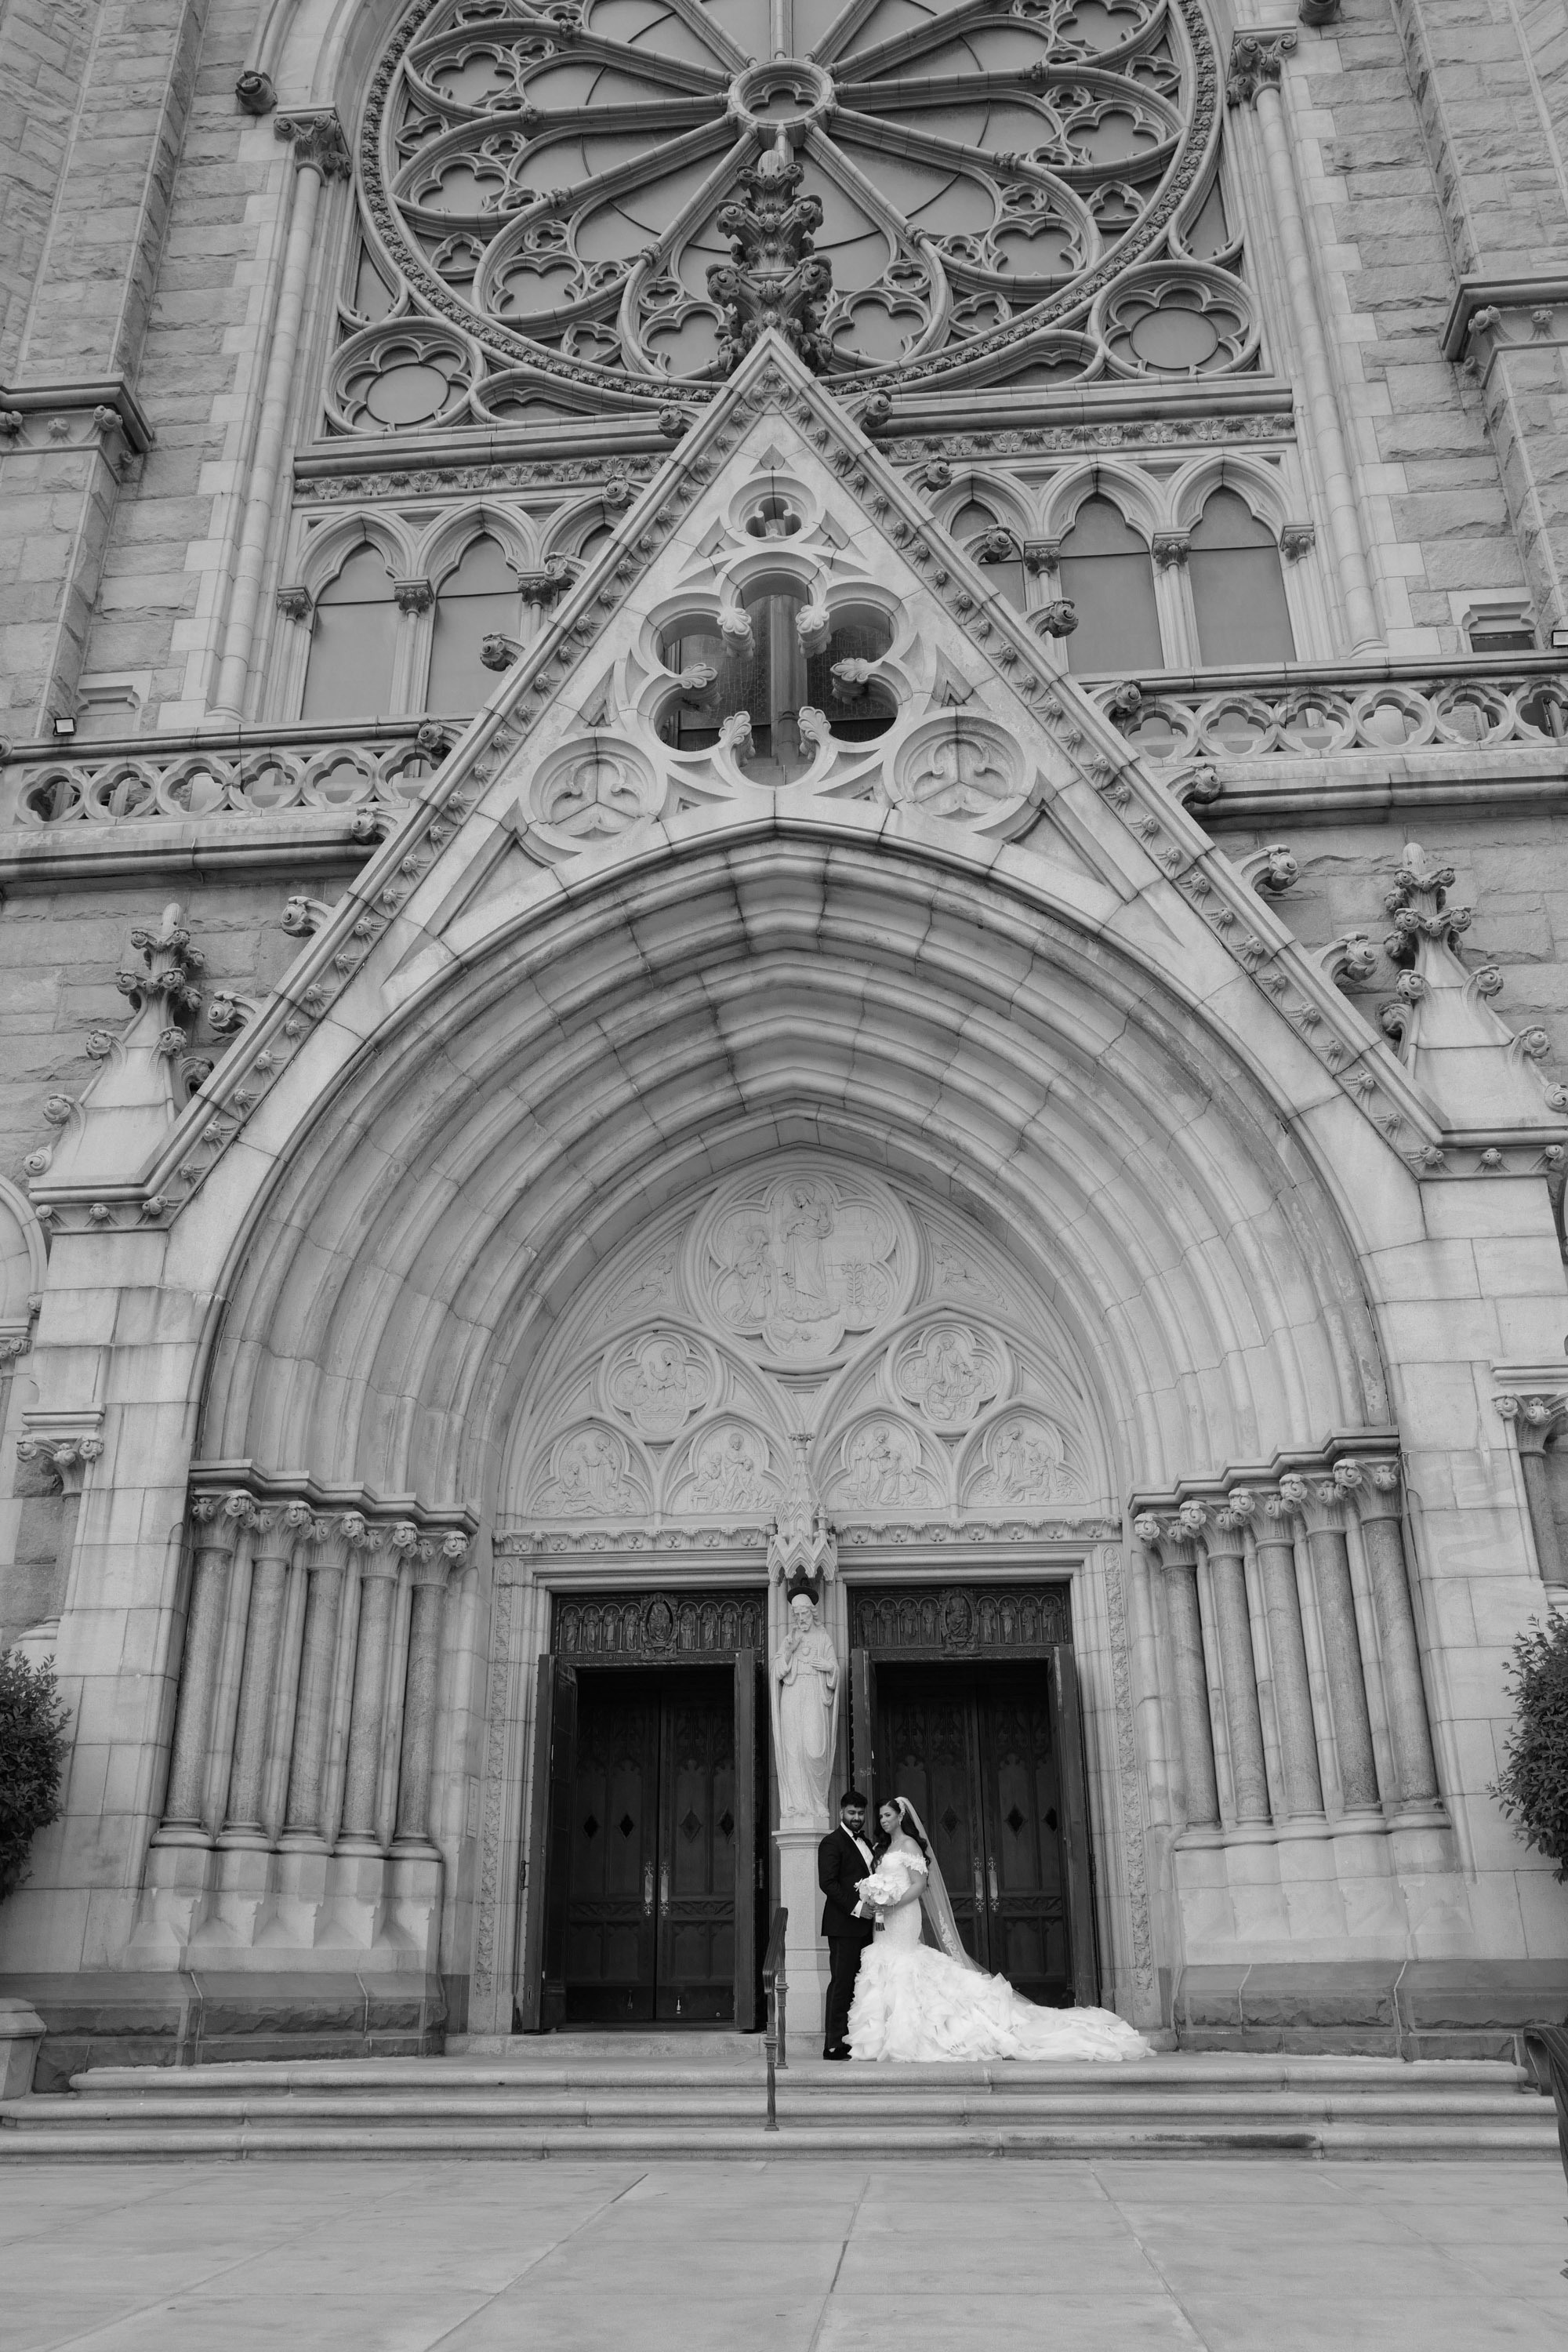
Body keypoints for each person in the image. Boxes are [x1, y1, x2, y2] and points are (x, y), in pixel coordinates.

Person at [846, 1795, 1149, 2063]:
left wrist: (894, 1901)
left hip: (903, 1914)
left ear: (901, 1816)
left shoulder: (909, 1844)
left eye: (888, 1815)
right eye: (881, 1817)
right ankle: (880, 2037)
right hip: (884, 1920)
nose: (883, 1821)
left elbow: (920, 1885)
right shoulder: (883, 1848)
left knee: (906, 1965)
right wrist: (875, 1895)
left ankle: (912, 2034)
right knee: (884, 1964)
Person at [818, 1789, 875, 2060]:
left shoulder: (867, 1842)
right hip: (843, 1926)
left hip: (868, 1928)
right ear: (841, 1812)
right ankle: (833, 2043)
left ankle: (857, 2038)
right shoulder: (832, 1842)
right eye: (852, 1813)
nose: (856, 1818)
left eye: (861, 1813)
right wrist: (857, 1907)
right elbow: (827, 1883)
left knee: (862, 1983)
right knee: (841, 1983)